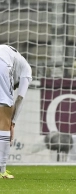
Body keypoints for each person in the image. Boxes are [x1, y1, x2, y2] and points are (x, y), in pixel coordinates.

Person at [0, 45, 32, 179]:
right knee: (4, 121)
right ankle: (2, 170)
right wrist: (12, 122)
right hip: (1, 64)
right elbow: (20, 97)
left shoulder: (10, 53)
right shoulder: (26, 71)